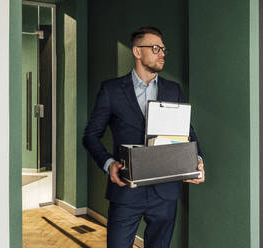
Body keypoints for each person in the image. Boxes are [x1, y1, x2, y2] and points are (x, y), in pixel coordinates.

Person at [83, 27, 205, 248]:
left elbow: (187, 132)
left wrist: (198, 161)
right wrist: (108, 164)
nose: (162, 54)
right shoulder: (111, 90)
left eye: (163, 49)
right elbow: (91, 136)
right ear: (137, 52)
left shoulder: (173, 90)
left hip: (165, 194)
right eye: (155, 48)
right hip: (126, 192)